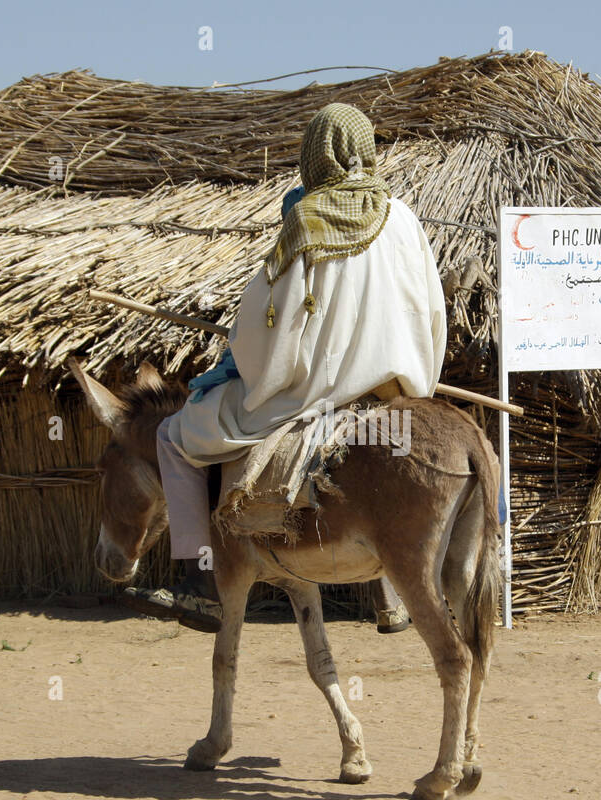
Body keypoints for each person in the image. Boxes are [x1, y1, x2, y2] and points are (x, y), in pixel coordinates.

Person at [127, 102, 447, 631]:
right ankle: (392, 589)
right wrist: (417, 377)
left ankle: (203, 583)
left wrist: (240, 367)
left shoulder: (306, 219)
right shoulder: (405, 217)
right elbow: (431, 310)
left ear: (314, 153)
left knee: (175, 434)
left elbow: (270, 331)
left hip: (315, 394)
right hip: (396, 391)